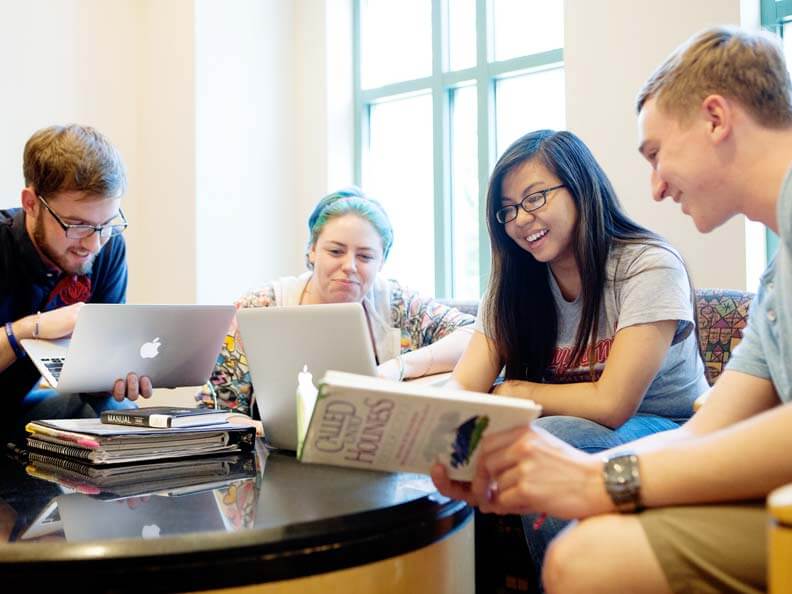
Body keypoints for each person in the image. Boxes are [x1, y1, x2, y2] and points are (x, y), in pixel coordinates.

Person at [432, 26, 792, 594]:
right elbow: (717, 422)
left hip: (645, 423)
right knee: (580, 544)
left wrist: (605, 479)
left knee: (572, 483)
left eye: (656, 154)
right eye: (509, 211)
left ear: (716, 119)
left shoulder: (646, 263)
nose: (654, 187)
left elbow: (621, 409)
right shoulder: (779, 276)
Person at [444, 128, 708, 578]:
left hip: (671, 426)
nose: (520, 220)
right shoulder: (513, 284)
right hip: (565, 422)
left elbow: (611, 404)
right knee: (458, 446)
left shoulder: (646, 265)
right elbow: (463, 386)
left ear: (580, 186)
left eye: (534, 199)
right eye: (507, 211)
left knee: (549, 437)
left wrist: (516, 391)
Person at [197, 187, 475, 415]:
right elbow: (215, 407)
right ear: (312, 250)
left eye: (365, 256)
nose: (350, 266)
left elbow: (477, 335)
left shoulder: (399, 305)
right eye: (335, 251)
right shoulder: (258, 308)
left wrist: (398, 368)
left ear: (382, 262)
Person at [0, 124, 152, 443]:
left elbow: (99, 358)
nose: (94, 244)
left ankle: (129, 493)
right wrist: (28, 330)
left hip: (19, 409)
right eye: (77, 225)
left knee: (117, 411)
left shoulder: (107, 247)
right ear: (31, 203)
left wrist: (116, 374)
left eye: (106, 224)